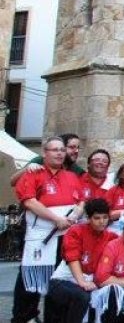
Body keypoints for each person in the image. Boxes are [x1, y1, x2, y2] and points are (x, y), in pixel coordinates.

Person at [13, 136, 83, 323]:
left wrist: (76, 214)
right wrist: (56, 219)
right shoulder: (33, 173)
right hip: (40, 236)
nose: (59, 153)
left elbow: (81, 201)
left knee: (57, 280)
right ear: (44, 153)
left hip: (64, 236)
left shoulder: (71, 176)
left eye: (62, 150)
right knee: (30, 278)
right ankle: (24, 317)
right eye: (55, 150)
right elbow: (29, 201)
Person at [45, 198, 116, 323]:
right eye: (97, 218)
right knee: (82, 297)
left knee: (114, 293)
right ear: (88, 218)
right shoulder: (76, 231)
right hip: (64, 280)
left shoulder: (110, 236)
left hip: (90, 281)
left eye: (105, 217)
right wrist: (82, 282)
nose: (102, 222)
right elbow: (72, 258)